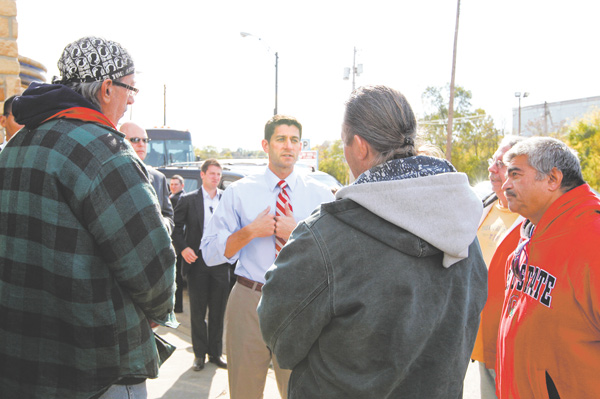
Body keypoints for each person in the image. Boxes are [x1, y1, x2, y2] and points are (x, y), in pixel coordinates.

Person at [257, 85, 487, 399]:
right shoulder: (465, 226)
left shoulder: (327, 235)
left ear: (361, 147)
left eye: (344, 142)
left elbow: (280, 336)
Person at [0, 36, 177, 398]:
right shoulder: (106, 150)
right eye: (131, 89)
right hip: (95, 367)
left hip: (20, 360)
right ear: (107, 89)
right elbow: (153, 266)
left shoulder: (14, 147)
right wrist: (160, 311)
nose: (131, 100)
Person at [201, 115, 335, 399]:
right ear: (266, 145)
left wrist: (297, 231)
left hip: (302, 302)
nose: (288, 146)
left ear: (301, 146)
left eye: (294, 140)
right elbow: (211, 253)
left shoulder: (321, 196)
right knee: (244, 391)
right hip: (249, 299)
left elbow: (335, 258)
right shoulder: (239, 192)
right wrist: (249, 232)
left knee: (301, 391)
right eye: (281, 139)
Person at [496, 137, 600, 398]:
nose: (505, 185)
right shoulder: (530, 231)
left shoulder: (592, 237)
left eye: (516, 174)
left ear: (553, 179)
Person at [471, 136, 525, 399]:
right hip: (481, 337)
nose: (492, 169)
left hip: (513, 342)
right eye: (493, 162)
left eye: (501, 164)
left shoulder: (532, 217)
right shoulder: (484, 207)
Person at [172, 159, 229, 371]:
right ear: (202, 175)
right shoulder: (188, 200)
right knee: (197, 311)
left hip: (221, 264)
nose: (216, 177)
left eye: (218, 174)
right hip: (197, 263)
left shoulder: (226, 199)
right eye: (212, 173)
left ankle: (215, 353)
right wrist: (184, 248)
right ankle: (199, 355)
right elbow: (175, 228)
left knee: (218, 311)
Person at [120, 121, 174, 234]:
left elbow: (168, 215)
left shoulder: (159, 178)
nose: (141, 144)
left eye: (145, 140)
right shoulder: (112, 173)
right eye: (135, 140)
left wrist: (163, 227)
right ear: (121, 142)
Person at [169, 174, 186, 313]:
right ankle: (178, 306)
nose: (173, 186)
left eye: (176, 184)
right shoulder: (185, 197)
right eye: (171, 184)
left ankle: (176, 306)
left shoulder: (175, 199)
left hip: (176, 243)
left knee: (175, 276)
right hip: (183, 243)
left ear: (182, 186)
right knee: (179, 276)